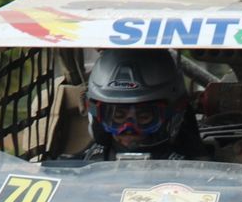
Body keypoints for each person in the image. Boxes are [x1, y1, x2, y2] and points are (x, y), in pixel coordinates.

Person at [75, 47, 206, 160]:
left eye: (143, 117)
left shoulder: (199, 173)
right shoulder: (80, 167)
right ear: (97, 117)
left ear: (171, 117)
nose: (128, 129)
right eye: (118, 116)